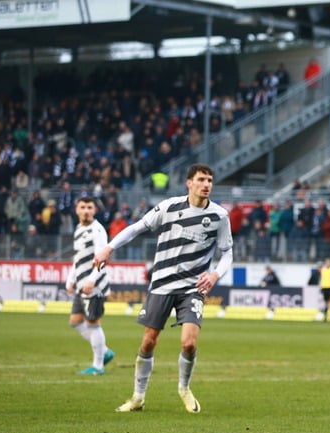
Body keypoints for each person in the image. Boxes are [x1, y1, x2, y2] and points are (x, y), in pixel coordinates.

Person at [94, 164, 233, 414]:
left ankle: (184, 388)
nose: (207, 184)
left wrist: (215, 274)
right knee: (149, 341)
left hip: (193, 288)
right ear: (189, 183)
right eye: (201, 179)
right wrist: (109, 247)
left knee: (189, 343)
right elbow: (137, 228)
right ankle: (138, 397)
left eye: (210, 180)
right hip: (162, 283)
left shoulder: (219, 216)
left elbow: (227, 253)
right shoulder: (169, 207)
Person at [65, 196, 115, 375]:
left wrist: (92, 279)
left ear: (94, 210)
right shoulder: (79, 229)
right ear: (77, 210)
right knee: (75, 321)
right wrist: (71, 279)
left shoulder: (98, 230)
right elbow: (77, 259)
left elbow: (103, 258)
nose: (86, 210)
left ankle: (98, 366)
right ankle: (105, 351)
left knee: (93, 323)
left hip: (94, 285)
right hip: (81, 283)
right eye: (82, 207)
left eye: (89, 207)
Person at [319, 258, 330, 322]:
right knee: (326, 303)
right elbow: (322, 279)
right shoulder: (323, 270)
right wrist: (321, 287)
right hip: (325, 288)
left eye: (329, 262)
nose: (328, 264)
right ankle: (325, 316)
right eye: (327, 262)